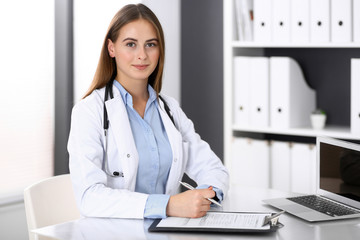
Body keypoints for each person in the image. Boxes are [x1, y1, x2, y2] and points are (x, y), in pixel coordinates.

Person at [68, 3, 229, 219]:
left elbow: (213, 168)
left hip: (165, 232)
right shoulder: (89, 112)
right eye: (131, 44)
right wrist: (168, 206)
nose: (142, 55)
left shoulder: (169, 109)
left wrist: (206, 195)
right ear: (111, 48)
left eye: (150, 44)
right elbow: (89, 197)